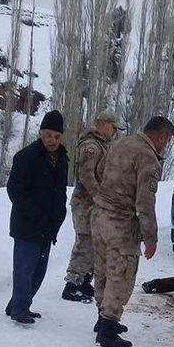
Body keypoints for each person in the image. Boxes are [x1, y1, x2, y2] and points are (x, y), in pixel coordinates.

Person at [90, 116, 174, 347]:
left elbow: (98, 171)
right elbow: (145, 202)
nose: (164, 145)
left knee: (102, 269)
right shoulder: (147, 157)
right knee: (121, 274)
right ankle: (107, 328)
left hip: (99, 215)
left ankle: (102, 318)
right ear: (162, 136)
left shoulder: (118, 143)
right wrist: (151, 238)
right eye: (166, 141)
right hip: (121, 223)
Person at [5, 110, 68, 324]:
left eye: (57, 136)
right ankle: (20, 308)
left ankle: (18, 303)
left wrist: (59, 214)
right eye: (48, 135)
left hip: (48, 226)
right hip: (27, 225)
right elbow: (15, 191)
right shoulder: (26, 156)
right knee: (25, 269)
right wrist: (34, 214)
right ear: (41, 133)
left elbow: (60, 191)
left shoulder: (62, 159)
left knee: (38, 271)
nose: (52, 140)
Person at [62, 110, 118, 303]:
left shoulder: (103, 145)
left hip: (95, 204)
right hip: (85, 203)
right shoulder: (90, 146)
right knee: (85, 242)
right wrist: (98, 196)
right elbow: (86, 175)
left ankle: (84, 280)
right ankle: (72, 284)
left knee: (95, 243)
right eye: (113, 127)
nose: (115, 132)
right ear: (103, 124)